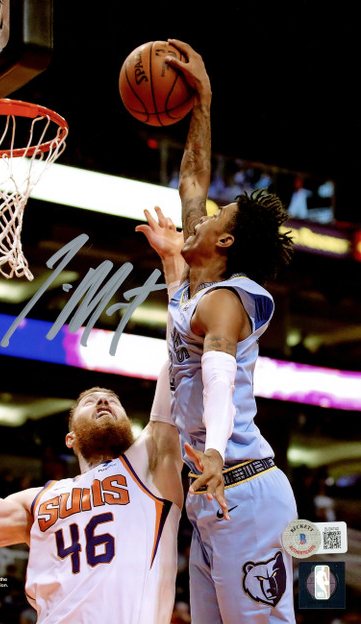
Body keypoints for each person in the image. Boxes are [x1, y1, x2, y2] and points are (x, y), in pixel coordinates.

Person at [137, 40, 298, 624]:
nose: (200, 214)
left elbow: (219, 372)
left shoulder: (229, 300)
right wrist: (202, 101)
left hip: (241, 489)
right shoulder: (194, 285)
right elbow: (193, 178)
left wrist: (208, 449)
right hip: (212, 494)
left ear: (224, 243)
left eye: (213, 218)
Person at [0, 349, 183, 624]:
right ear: (71, 439)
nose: (103, 400)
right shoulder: (38, 501)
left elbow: (179, 356)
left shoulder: (151, 467)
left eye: (114, 401)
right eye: (90, 402)